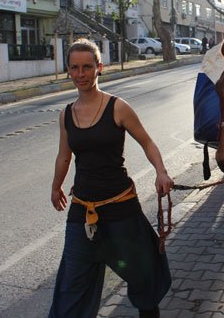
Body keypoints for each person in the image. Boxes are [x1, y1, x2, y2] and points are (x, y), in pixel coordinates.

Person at [49, 38, 173, 318]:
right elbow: (64, 156)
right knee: (72, 283)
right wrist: (55, 186)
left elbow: (147, 142)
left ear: (99, 68)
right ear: (68, 69)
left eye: (87, 67)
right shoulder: (66, 114)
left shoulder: (118, 107)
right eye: (75, 68)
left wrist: (161, 171)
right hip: (82, 209)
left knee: (143, 275)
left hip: (120, 208)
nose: (81, 74)